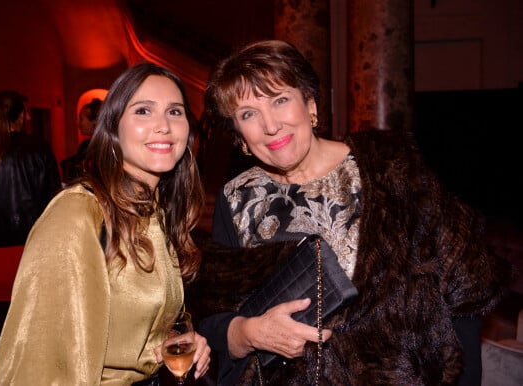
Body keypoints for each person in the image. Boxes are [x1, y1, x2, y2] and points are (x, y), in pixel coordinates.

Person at [196, 40, 512, 385]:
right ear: (239, 135)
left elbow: (463, 294)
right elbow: (215, 321)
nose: (270, 125)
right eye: (248, 114)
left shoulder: (392, 169)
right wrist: (249, 332)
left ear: (310, 104)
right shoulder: (237, 199)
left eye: (280, 100)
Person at [0, 62, 211, 385]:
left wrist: (166, 345)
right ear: (112, 128)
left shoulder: (157, 210)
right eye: (143, 111)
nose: (164, 125)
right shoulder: (79, 215)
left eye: (175, 112)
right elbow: (41, 364)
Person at [0, 90, 61, 369]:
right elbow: (53, 198)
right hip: (30, 248)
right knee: (34, 318)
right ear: (20, 116)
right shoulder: (38, 148)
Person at [60, 97, 103, 185]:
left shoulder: (104, 147)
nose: (78, 123)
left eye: (81, 119)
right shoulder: (86, 145)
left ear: (94, 121)